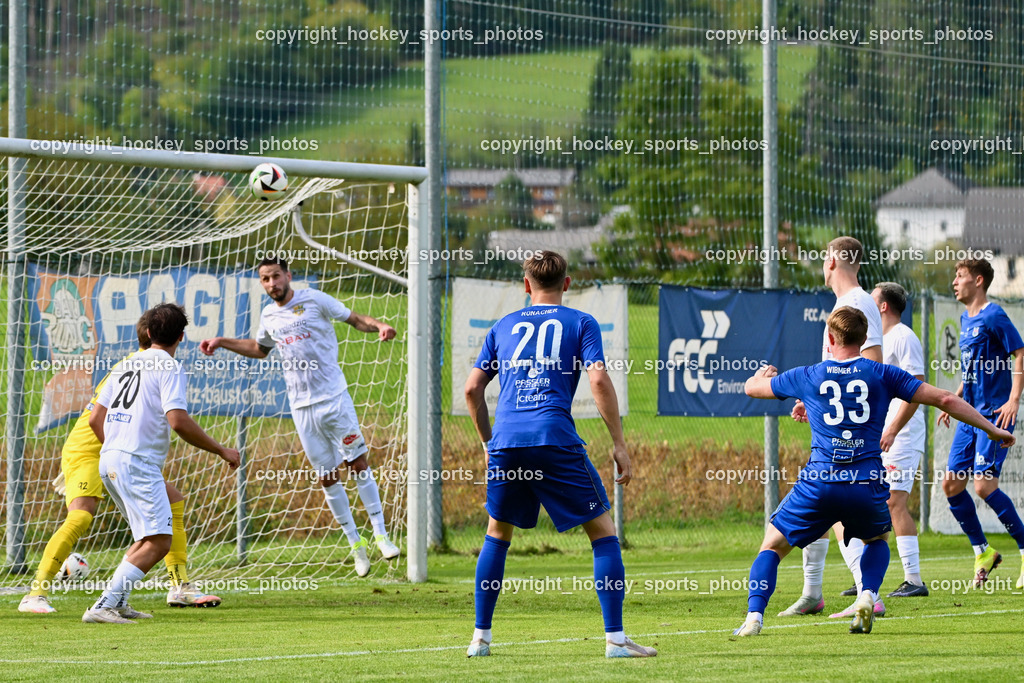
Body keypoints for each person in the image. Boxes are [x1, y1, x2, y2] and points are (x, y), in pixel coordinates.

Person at [734, 307, 1014, 637]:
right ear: (865, 338)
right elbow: (944, 399)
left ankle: (754, 617)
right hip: (865, 484)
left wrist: (761, 375)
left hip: (820, 483)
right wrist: (992, 429)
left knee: (772, 546)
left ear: (829, 338)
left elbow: (752, 388)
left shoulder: (809, 374)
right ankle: (867, 595)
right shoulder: (882, 373)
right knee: (878, 539)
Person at [463, 250, 655, 658]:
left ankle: (480, 639)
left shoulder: (502, 325)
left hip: (507, 443)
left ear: (526, 285)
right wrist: (619, 443)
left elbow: (472, 389)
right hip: (553, 437)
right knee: (603, 534)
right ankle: (616, 640)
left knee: (497, 534)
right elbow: (598, 379)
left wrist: (487, 444)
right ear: (567, 284)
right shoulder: (581, 322)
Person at [199, 258, 399, 577]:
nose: (272, 283)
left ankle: (382, 536)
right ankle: (356, 546)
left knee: (357, 464)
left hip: (334, 399)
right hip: (302, 408)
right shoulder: (269, 315)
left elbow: (354, 318)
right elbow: (259, 348)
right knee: (327, 477)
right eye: (265, 279)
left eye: (276, 276)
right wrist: (221, 342)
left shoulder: (314, 299)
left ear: (288, 276)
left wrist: (379, 326)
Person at [19, 312, 222, 615]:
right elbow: (96, 420)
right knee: (82, 517)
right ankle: (36, 593)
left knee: (172, 502)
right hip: (90, 449)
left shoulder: (134, 364)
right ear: (178, 337)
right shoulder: (139, 366)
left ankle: (178, 586)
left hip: (114, 452)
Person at [83, 303, 239, 624]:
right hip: (136, 462)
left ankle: (118, 603)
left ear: (148, 332)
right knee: (159, 541)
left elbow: (95, 418)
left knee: (147, 537)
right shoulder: (169, 367)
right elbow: (178, 421)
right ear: (181, 336)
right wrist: (221, 449)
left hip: (110, 458)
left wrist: (117, 449)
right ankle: (103, 605)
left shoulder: (124, 365)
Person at [781, 236, 885, 618]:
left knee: (835, 506)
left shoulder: (857, 303)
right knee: (820, 502)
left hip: (852, 435)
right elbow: (842, 375)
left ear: (832, 263)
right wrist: (814, 401)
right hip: (834, 427)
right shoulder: (847, 303)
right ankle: (813, 593)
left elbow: (872, 368)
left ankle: (868, 594)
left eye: (824, 258)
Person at [937, 258, 1024, 587]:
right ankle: (983, 551)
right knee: (951, 485)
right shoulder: (965, 318)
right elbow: (972, 367)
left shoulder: (994, 315)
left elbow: (1020, 353)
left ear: (978, 280)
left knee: (984, 486)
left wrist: (1013, 399)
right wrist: (956, 399)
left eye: (960, 276)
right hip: (969, 414)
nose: (954, 282)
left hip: (994, 416)